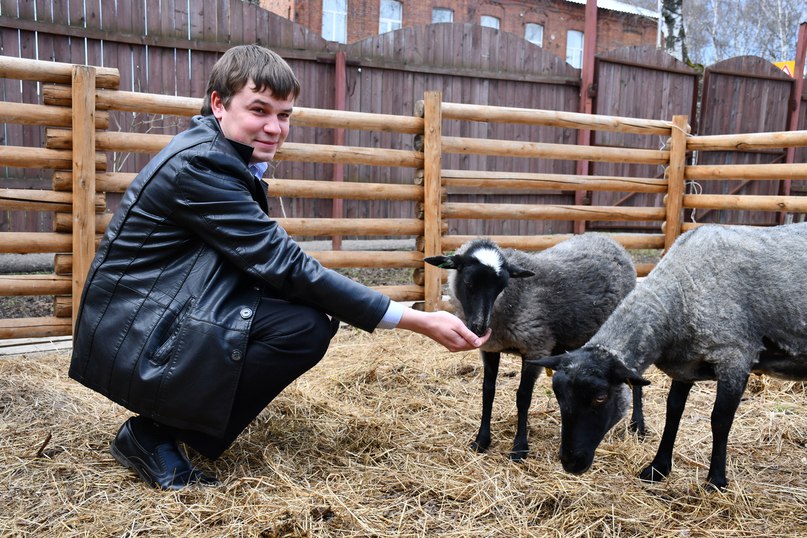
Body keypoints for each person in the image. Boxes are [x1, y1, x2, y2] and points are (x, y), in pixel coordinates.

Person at [69, 45, 489, 490]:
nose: (274, 127)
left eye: (284, 114)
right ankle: (153, 433)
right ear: (218, 103)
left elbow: (268, 263)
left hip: (156, 308)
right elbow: (285, 264)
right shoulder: (203, 165)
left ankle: (173, 423)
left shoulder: (220, 153)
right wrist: (416, 319)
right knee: (301, 330)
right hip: (138, 330)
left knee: (306, 317)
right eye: (259, 110)